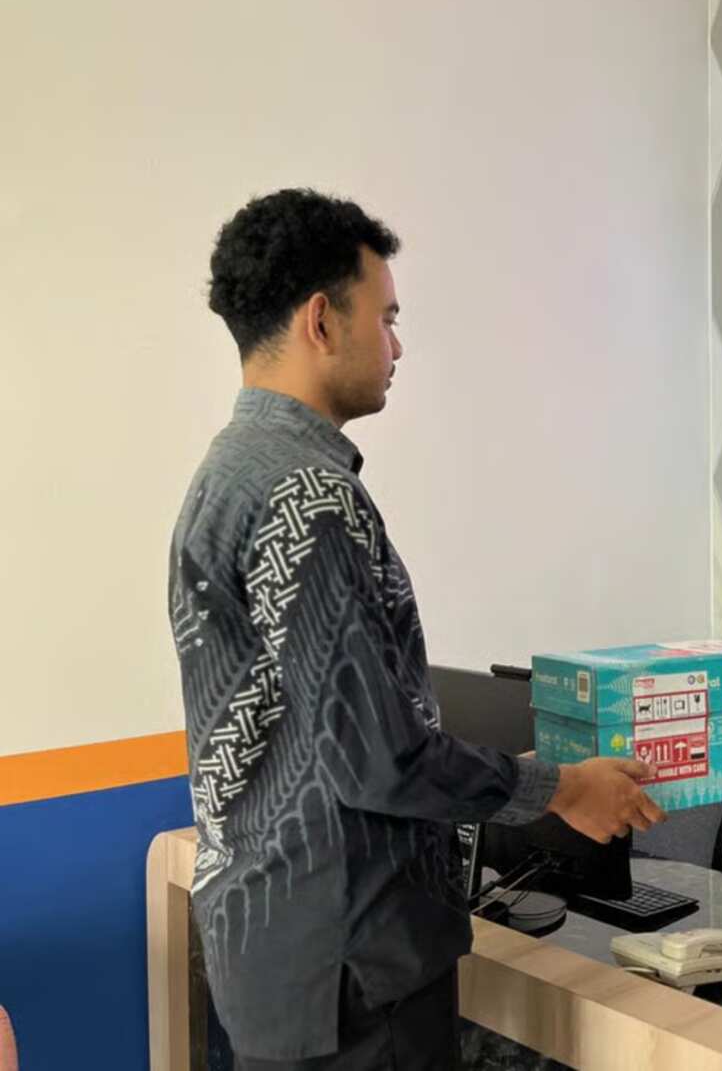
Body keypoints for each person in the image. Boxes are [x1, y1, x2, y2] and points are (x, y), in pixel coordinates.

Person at [168, 188, 664, 1070]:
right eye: (387, 317)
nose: (397, 346)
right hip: (354, 963)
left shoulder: (227, 473)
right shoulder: (308, 494)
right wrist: (559, 788)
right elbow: (381, 757)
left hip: (275, 945)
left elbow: (305, 735)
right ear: (322, 320)